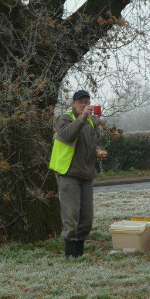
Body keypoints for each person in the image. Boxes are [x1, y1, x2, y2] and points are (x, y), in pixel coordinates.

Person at [49, 89, 107, 258]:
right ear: (73, 104)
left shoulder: (90, 122)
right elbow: (67, 135)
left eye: (87, 102)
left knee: (86, 219)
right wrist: (81, 118)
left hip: (86, 174)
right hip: (68, 173)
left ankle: (79, 255)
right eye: (81, 102)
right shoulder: (65, 118)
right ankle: (70, 256)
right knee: (71, 216)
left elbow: (89, 144)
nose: (84, 105)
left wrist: (97, 151)